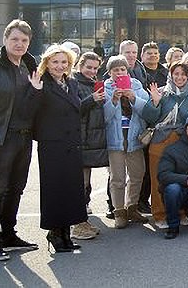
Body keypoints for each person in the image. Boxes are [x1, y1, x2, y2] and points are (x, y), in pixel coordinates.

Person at [0, 20, 44, 260]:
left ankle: (9, 234)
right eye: (15, 39)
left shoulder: (30, 65)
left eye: (24, 40)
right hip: (1, 138)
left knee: (16, 189)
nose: (19, 44)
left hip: (25, 136)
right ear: (5, 40)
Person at [31, 45, 86, 254]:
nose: (59, 66)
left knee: (71, 190)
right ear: (47, 63)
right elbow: (31, 111)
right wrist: (34, 92)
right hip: (52, 145)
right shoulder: (40, 83)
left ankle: (66, 233)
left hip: (71, 143)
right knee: (55, 190)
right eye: (55, 62)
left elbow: (76, 109)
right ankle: (55, 232)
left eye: (64, 62)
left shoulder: (71, 83)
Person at [141, 61, 188, 226]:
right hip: (160, 140)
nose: (179, 77)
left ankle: (180, 213)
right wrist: (155, 102)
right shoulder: (161, 92)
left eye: (183, 74)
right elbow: (149, 117)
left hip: (182, 142)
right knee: (158, 179)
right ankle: (160, 215)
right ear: (170, 75)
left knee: (181, 179)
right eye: (176, 74)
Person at [102, 55, 151, 229]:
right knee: (117, 177)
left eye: (122, 69)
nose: (119, 73)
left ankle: (132, 207)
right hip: (115, 138)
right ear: (109, 73)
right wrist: (114, 100)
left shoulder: (137, 86)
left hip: (134, 137)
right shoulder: (106, 89)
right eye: (115, 70)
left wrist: (133, 98)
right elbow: (104, 118)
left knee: (138, 173)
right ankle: (119, 212)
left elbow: (147, 110)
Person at [70, 51, 108, 241]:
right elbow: (73, 110)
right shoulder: (72, 83)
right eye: (88, 67)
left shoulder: (95, 84)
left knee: (86, 181)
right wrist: (91, 99)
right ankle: (76, 224)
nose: (92, 71)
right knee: (80, 181)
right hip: (81, 139)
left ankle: (82, 218)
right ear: (79, 65)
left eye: (95, 68)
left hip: (93, 140)